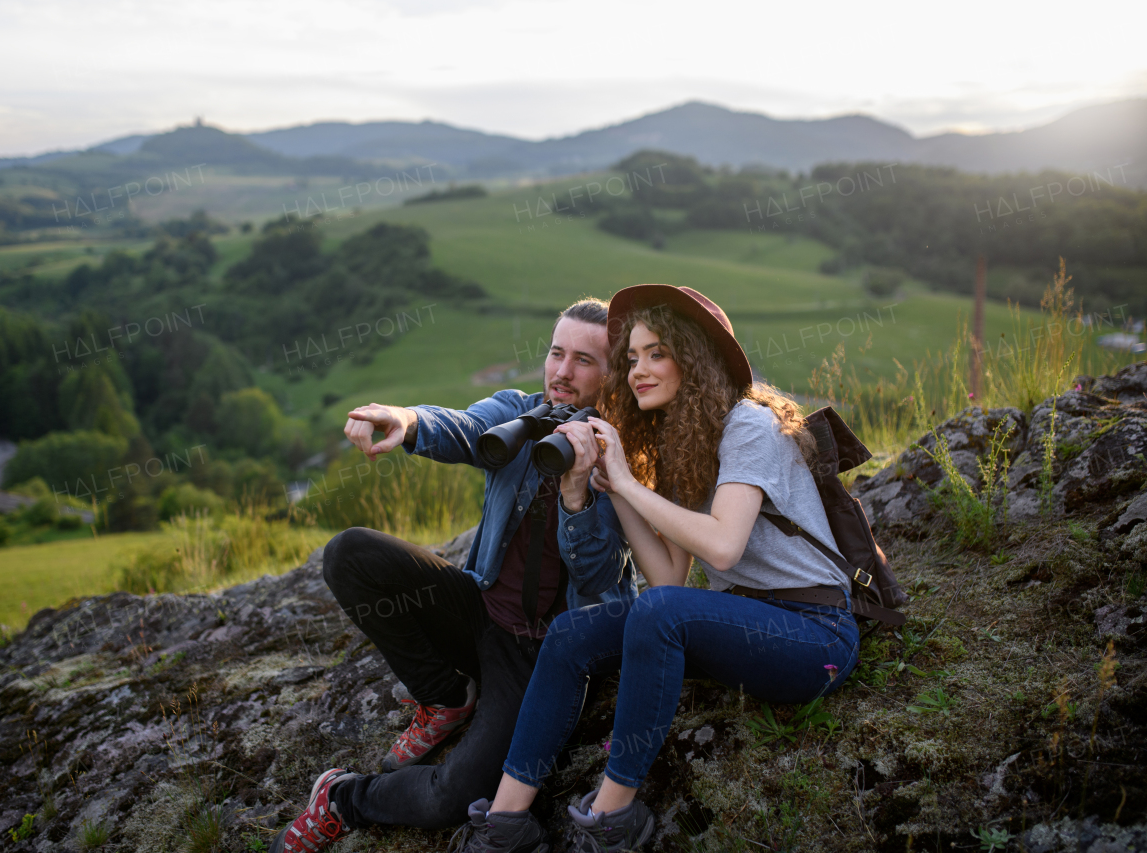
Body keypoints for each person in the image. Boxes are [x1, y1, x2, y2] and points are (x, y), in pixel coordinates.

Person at [448, 284, 862, 853]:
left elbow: (722, 549)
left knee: (660, 612)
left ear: (693, 358)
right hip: (743, 622)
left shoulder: (748, 423)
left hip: (815, 637)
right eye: (632, 357)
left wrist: (624, 483)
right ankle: (506, 821)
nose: (638, 369)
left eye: (656, 353)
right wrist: (612, 485)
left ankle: (611, 817)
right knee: (572, 632)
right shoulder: (685, 441)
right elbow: (668, 578)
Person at [272, 299, 638, 853]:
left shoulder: (629, 462)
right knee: (349, 553)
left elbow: (598, 571)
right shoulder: (520, 411)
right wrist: (406, 420)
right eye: (556, 352)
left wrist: (578, 490)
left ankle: (343, 798)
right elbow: (464, 427)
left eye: (584, 360)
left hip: (546, 655)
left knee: (456, 797)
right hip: (480, 609)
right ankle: (447, 696)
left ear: (614, 374)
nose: (562, 372)